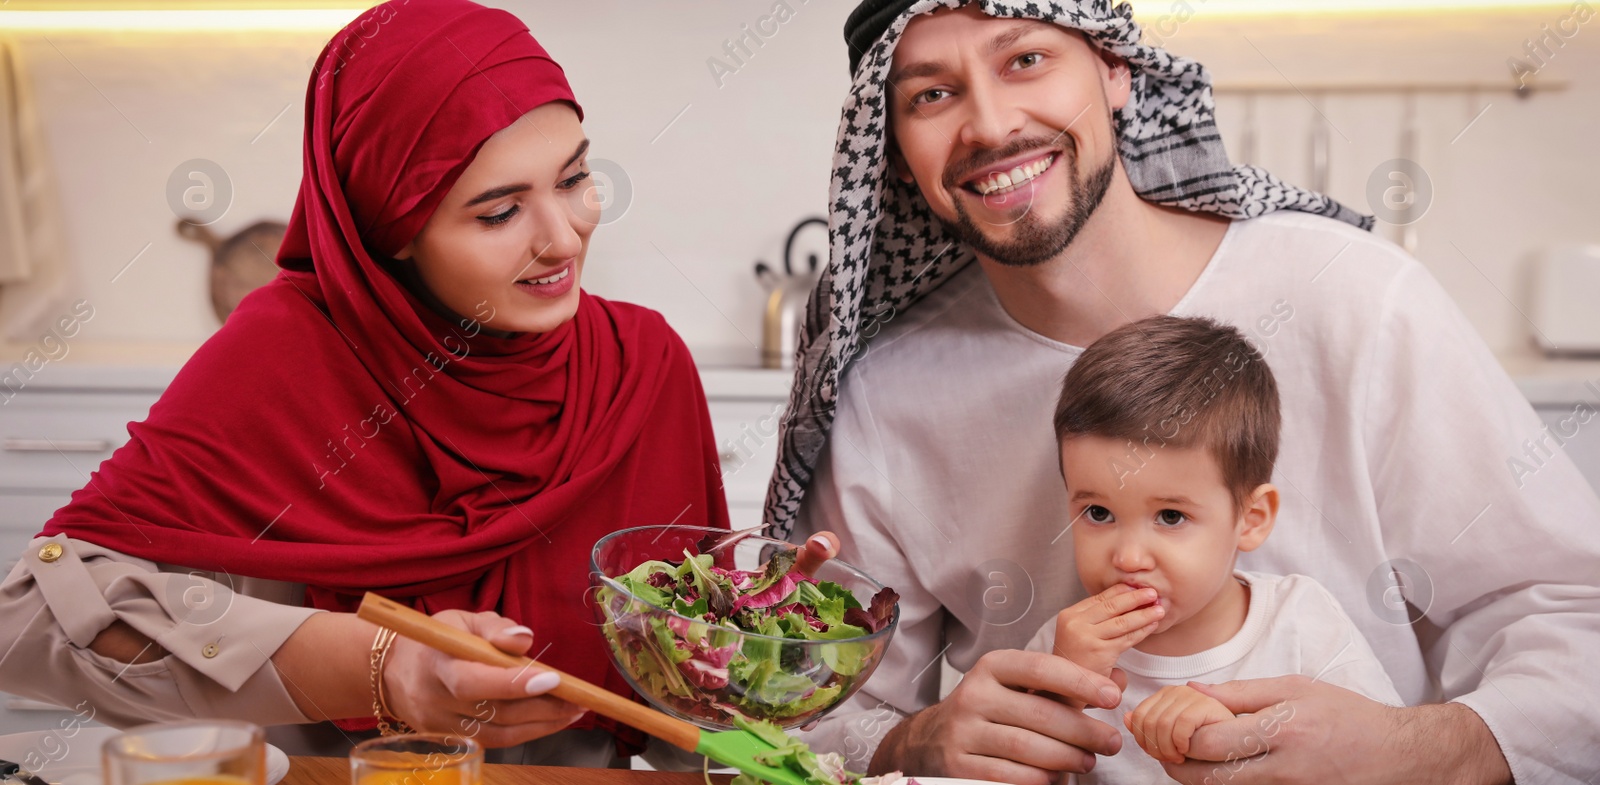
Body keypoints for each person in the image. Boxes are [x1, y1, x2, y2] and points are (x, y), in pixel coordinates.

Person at [767, 2, 1600, 784]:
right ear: (893, 143)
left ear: (1116, 69)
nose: (987, 124)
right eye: (932, 95)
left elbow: (1574, 614)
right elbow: (800, 711)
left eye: (1026, 59)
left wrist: (1411, 750)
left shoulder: (1353, 297)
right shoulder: (884, 392)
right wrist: (914, 741)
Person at [0, 0, 800, 768]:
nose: (565, 236)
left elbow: (691, 705)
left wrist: (774, 631)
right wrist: (377, 667)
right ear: (391, 230)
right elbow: (27, 622)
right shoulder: (283, 354)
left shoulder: (640, 363)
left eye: (574, 178)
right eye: (498, 213)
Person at [1019, 315, 1401, 783]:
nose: (1130, 558)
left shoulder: (1301, 622)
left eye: (1171, 517)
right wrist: (1065, 691)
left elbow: (1381, 762)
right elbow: (1011, 773)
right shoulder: (1058, 648)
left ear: (1251, 520)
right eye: (1098, 513)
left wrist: (1240, 739)